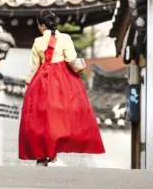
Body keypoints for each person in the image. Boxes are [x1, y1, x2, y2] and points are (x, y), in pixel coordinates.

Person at [18, 10, 105, 166]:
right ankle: (53, 156)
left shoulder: (38, 41)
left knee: (41, 120)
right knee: (59, 119)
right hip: (61, 81)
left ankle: (42, 156)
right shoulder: (65, 38)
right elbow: (72, 59)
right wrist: (80, 68)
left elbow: (33, 66)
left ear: (42, 26)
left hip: (41, 81)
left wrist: (28, 85)